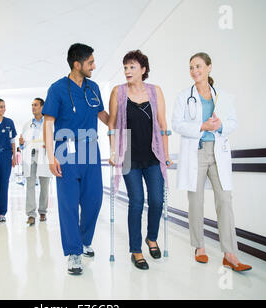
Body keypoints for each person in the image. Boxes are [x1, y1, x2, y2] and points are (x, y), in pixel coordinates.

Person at [172, 52, 251, 272]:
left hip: (218, 153)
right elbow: (177, 124)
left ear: (209, 67)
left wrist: (220, 126)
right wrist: (201, 127)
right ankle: (199, 247)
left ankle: (230, 254)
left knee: (225, 200)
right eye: (191, 67)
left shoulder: (222, 97)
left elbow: (233, 122)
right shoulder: (183, 96)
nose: (194, 71)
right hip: (196, 152)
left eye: (198, 66)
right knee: (196, 201)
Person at [42, 43, 109, 275]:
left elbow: (103, 116)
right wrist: (51, 156)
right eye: (90, 62)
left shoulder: (94, 88)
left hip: (91, 149)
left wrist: (120, 117)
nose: (94, 66)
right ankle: (73, 252)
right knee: (69, 204)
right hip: (65, 150)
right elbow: (48, 123)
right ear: (77, 64)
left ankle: (83, 239)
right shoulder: (57, 88)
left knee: (94, 199)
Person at [108, 50, 172, 270]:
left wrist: (166, 153)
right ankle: (136, 249)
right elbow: (112, 125)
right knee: (136, 202)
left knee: (156, 200)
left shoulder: (155, 91)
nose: (127, 71)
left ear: (143, 70)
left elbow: (162, 124)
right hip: (128, 155)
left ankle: (151, 237)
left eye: (132, 67)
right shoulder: (118, 91)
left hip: (153, 154)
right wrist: (113, 152)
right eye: (125, 67)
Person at [19, 98, 52, 226]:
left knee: (44, 185)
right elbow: (23, 144)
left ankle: (43, 211)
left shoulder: (49, 122)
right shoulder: (27, 124)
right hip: (30, 156)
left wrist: (48, 146)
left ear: (42, 107)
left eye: (36, 105)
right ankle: (31, 214)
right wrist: (21, 144)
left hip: (43, 156)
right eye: (32, 105)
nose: (33, 107)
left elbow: (53, 139)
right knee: (30, 185)